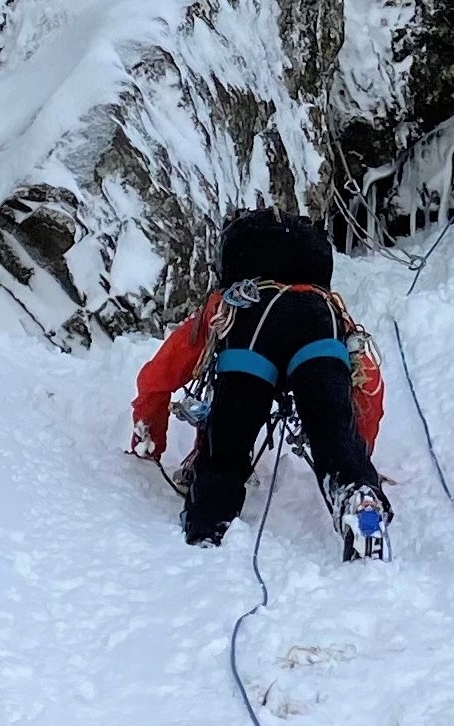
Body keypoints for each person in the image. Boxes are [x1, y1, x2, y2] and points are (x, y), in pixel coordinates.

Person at [132, 208, 393, 558]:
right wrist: (358, 454)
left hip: (252, 327)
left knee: (228, 439)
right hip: (318, 329)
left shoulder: (228, 303)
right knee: (331, 423)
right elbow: (366, 388)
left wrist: (148, 438)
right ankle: (357, 494)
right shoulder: (329, 305)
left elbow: (161, 373)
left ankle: (209, 522)